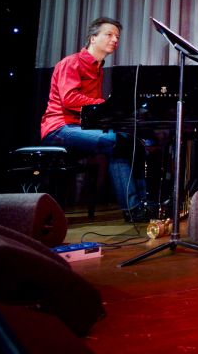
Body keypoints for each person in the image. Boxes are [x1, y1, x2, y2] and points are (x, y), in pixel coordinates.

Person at [40, 17, 147, 223]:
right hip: (59, 128)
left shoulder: (98, 68)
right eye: (109, 34)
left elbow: (92, 111)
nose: (115, 39)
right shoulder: (71, 63)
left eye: (117, 36)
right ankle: (133, 208)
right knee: (118, 142)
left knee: (130, 141)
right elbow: (69, 99)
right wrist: (104, 105)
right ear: (93, 38)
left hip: (79, 127)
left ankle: (142, 204)